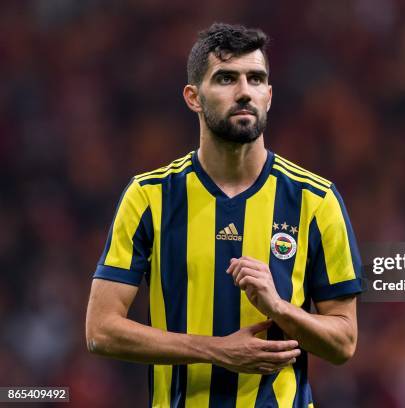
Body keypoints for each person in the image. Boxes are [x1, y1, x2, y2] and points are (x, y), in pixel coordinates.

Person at [85, 23, 362, 408]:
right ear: (193, 97)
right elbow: (101, 330)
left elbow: (343, 342)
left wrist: (279, 307)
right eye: (226, 78)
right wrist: (216, 350)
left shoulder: (316, 200)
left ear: (268, 95)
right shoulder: (149, 197)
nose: (244, 91)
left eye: (256, 79)